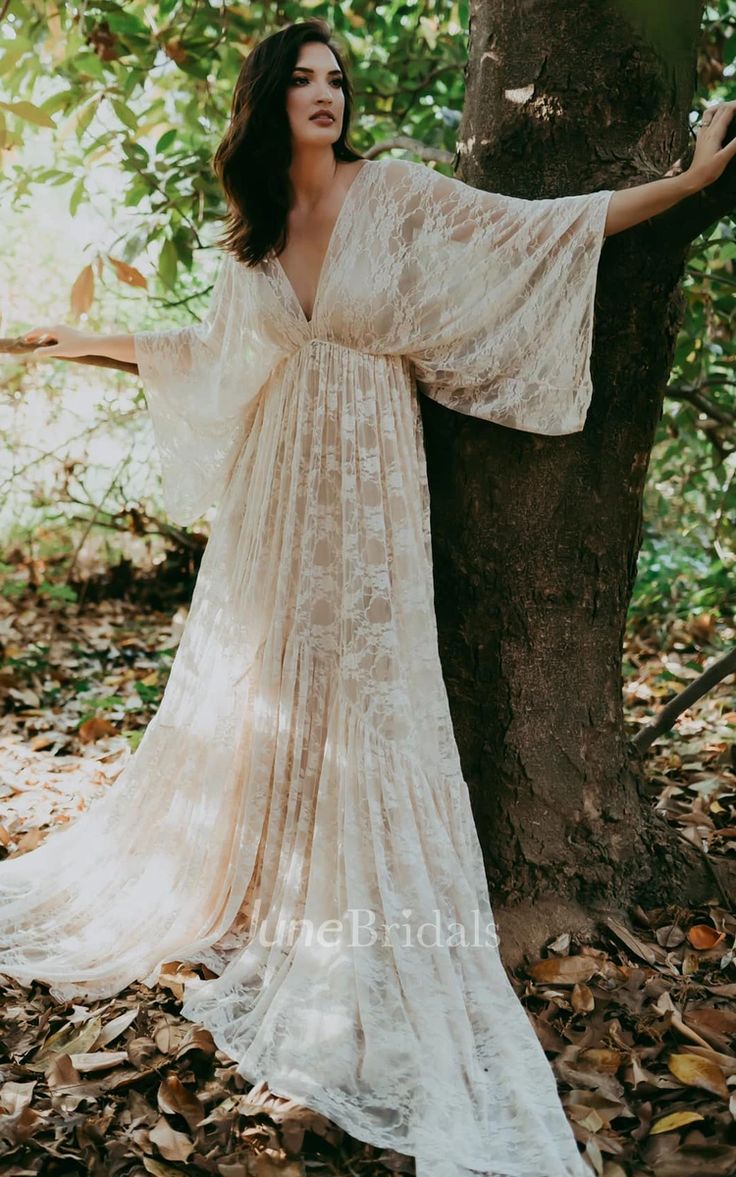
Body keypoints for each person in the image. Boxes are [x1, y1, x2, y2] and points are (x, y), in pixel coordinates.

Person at [7, 17, 736, 1177]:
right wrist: (69, 339)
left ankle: (366, 909)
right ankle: (263, 870)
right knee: (269, 685)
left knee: (375, 691)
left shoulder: (392, 193)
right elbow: (205, 352)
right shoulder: (250, 242)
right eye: (301, 79)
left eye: (336, 78)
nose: (325, 94)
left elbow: (537, 230)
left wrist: (688, 183)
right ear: (264, 100)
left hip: (373, 486)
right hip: (275, 501)